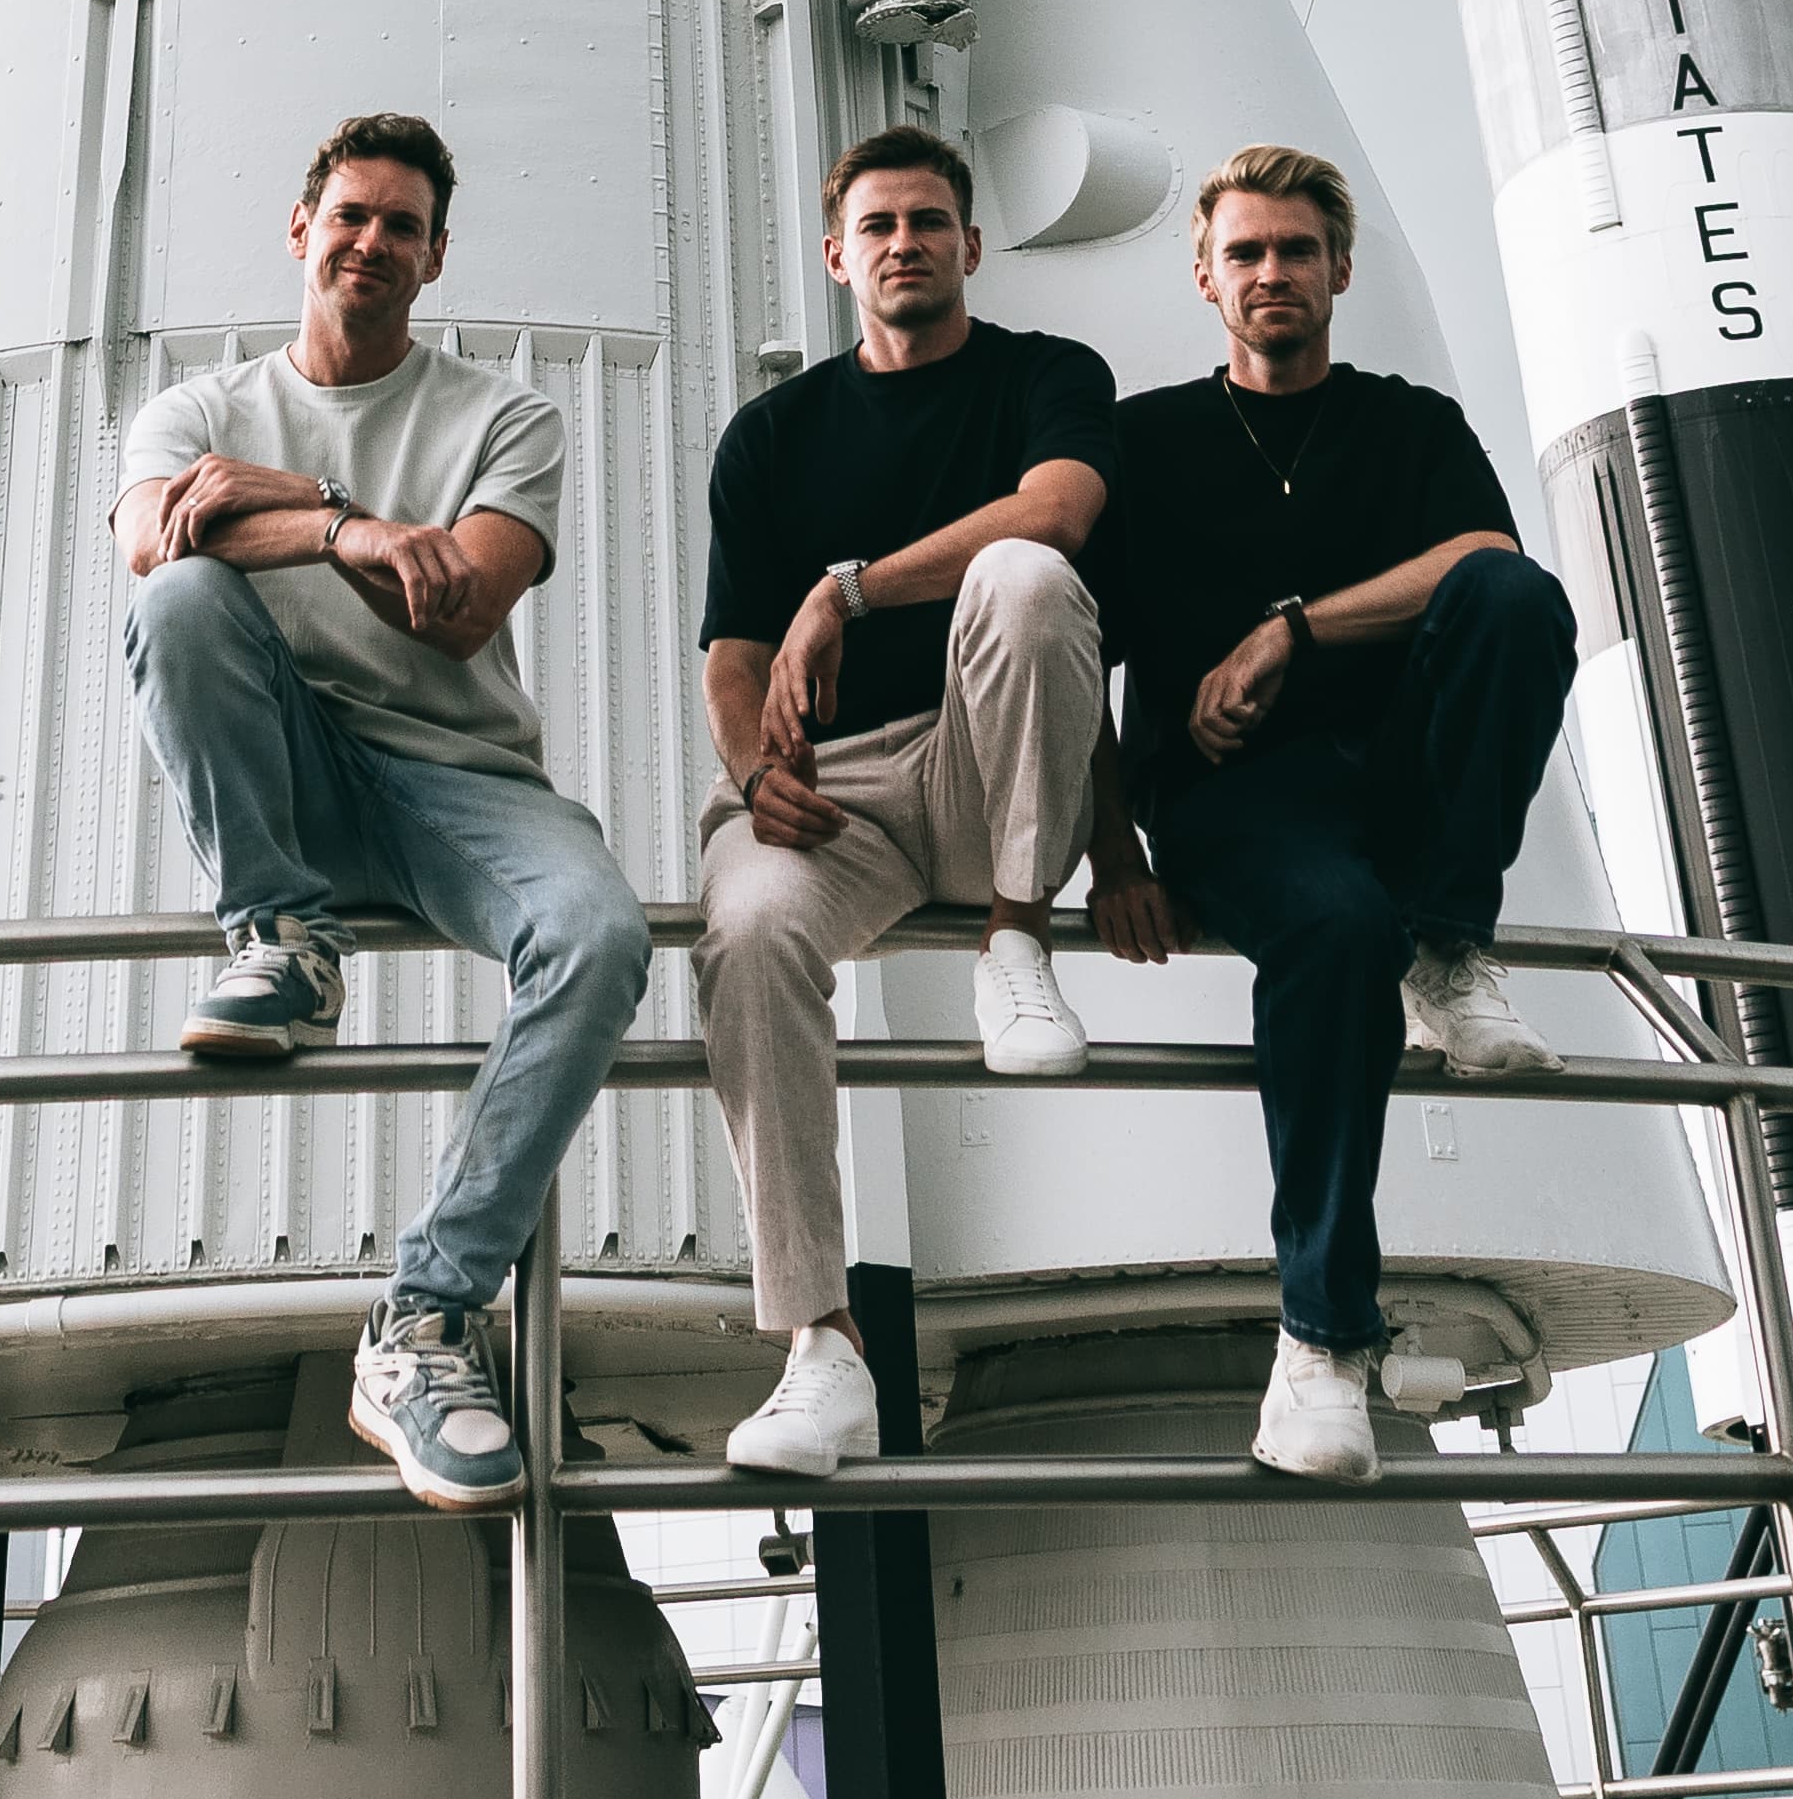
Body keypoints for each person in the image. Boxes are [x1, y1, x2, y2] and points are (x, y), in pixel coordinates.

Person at [114, 114, 650, 1511]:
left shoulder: (502, 418)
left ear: (433, 256)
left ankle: (422, 1322)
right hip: (287, 775)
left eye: (400, 226)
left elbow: (464, 605)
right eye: (348, 215)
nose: (370, 243)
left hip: (458, 784)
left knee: (596, 938)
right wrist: (350, 525)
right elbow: (153, 543)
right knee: (178, 598)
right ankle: (278, 929)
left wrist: (287, 506)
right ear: (301, 230)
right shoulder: (196, 412)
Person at [1086, 138, 1579, 1483]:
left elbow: (1487, 559)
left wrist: (1287, 632)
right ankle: (1319, 1338)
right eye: (1243, 252)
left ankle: (1449, 945)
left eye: (1295, 250)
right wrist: (1108, 849)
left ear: (1338, 269)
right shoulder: (1146, 442)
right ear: (1203, 276)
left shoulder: (1405, 423)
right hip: (1239, 806)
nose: (1270, 273)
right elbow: (1076, 653)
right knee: (1334, 935)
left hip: (1398, 783)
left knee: (1514, 602)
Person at [694, 126, 1116, 1481]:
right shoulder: (771, 436)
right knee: (748, 933)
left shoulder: (1047, 376)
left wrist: (852, 587)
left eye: (928, 222)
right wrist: (753, 774)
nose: (903, 244)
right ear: (837, 257)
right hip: (843, 794)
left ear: (971, 247)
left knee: (1024, 580)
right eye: (876, 226)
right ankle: (819, 1349)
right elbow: (733, 655)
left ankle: (1013, 938)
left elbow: (1053, 513)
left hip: (983, 760)